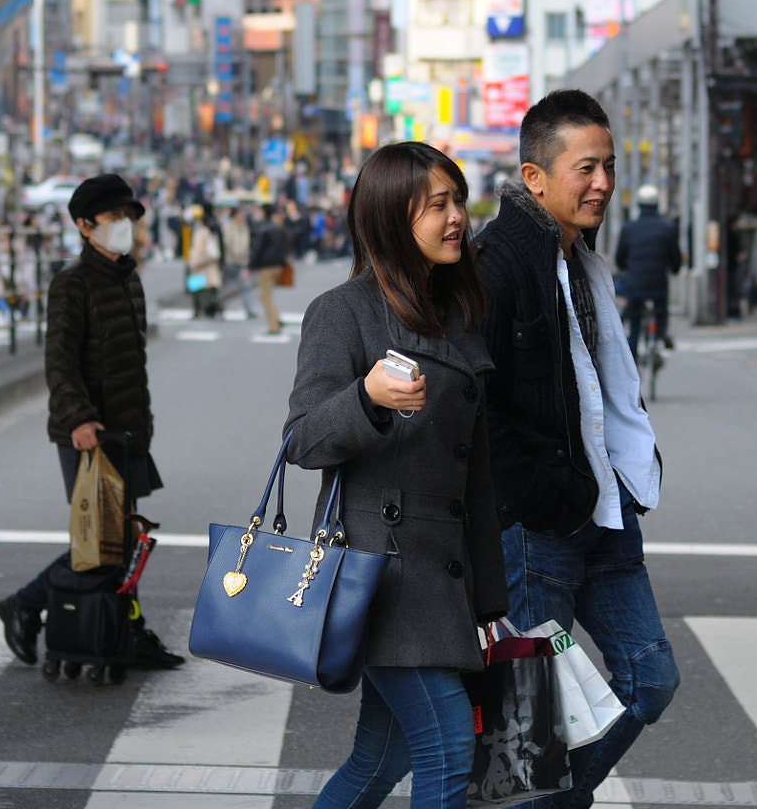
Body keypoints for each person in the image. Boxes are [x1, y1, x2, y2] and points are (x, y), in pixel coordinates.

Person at [285, 142, 501, 809]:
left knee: (380, 759)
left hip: (444, 580)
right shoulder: (343, 311)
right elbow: (302, 439)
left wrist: (490, 601)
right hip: (381, 576)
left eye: (457, 201)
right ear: (387, 219)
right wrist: (367, 399)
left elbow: (477, 480)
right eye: (437, 205)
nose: (456, 217)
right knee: (446, 752)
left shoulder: (459, 310)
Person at [476, 90, 674, 809]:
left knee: (650, 680)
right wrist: (537, 494)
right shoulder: (496, 264)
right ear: (534, 177)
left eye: (610, 166)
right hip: (539, 527)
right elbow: (478, 404)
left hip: (606, 505)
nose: (603, 183)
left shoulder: (580, 256)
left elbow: (601, 384)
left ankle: (555, 802)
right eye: (586, 168)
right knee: (531, 726)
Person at [0, 173, 183, 673]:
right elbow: (59, 359)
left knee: (123, 540)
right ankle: (26, 602)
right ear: (83, 225)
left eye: (129, 217)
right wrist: (80, 418)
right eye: (114, 217)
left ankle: (126, 628)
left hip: (127, 430)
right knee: (104, 543)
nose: (125, 225)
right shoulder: (72, 283)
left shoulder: (127, 278)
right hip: (91, 433)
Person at [615, 182, 683, 359]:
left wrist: (624, 268)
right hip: (658, 283)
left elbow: (619, 257)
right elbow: (675, 257)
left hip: (636, 283)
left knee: (634, 321)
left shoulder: (629, 228)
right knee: (662, 308)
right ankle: (661, 334)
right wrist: (675, 269)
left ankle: (633, 359)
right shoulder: (668, 228)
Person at [248, 203, 293, 336]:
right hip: (279, 265)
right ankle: (276, 317)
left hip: (266, 266)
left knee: (264, 296)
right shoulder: (280, 228)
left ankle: (274, 325)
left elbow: (257, 250)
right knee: (267, 295)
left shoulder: (262, 229)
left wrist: (251, 265)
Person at [185, 203, 223, 318]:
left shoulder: (200, 232)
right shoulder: (212, 229)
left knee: (196, 288)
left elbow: (197, 249)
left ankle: (198, 310)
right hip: (210, 264)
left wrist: (193, 263)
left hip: (200, 264)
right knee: (210, 288)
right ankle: (214, 308)